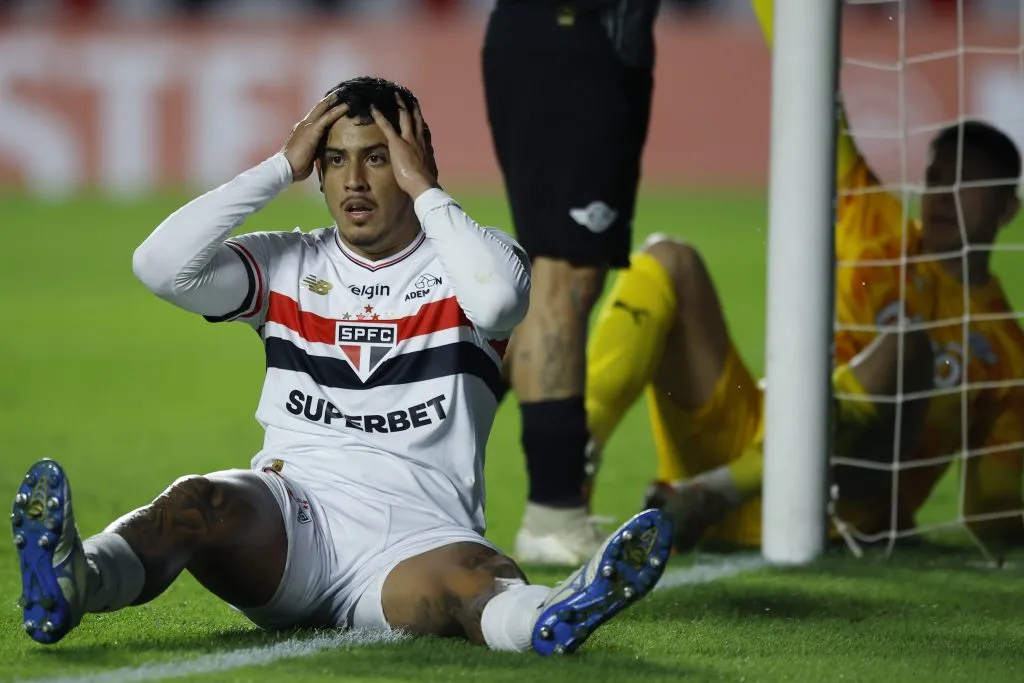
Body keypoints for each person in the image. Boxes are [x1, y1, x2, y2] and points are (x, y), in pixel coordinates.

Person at [11, 77, 673, 653]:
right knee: (195, 501)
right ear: (317, 171)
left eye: (377, 159)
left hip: (415, 541)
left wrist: (427, 191)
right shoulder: (287, 261)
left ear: (414, 164)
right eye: (334, 160)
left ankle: (547, 618)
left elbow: (501, 298)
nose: (353, 181)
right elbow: (158, 266)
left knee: (476, 581)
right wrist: (277, 166)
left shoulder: (471, 263)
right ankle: (79, 577)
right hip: (290, 523)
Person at [582, 0, 1024, 553]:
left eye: (968, 183)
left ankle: (715, 495)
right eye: (937, 177)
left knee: (909, 345)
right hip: (744, 446)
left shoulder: (1008, 351)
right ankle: (574, 468)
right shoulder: (876, 226)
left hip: (835, 508)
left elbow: (994, 510)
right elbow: (819, 102)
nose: (944, 195)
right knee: (669, 259)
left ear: (1009, 209)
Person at [482, 0, 661, 565]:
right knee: (564, 272)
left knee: (575, 270)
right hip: (567, 28)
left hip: (602, 36)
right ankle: (554, 514)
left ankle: (399, 446)